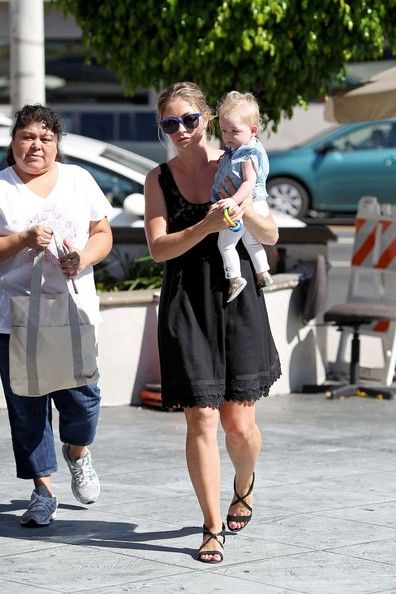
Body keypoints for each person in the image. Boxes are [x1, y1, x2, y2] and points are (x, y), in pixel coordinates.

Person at [144, 82, 281, 563]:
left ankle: (244, 485)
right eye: (170, 123)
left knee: (238, 424)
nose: (181, 130)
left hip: (237, 294)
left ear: (206, 119)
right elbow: (159, 249)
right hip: (187, 302)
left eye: (189, 119)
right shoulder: (157, 178)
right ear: (162, 128)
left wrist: (245, 213)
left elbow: (270, 230)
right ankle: (211, 526)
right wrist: (206, 225)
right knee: (201, 417)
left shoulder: (239, 159)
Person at [0, 104, 113, 527]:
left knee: (83, 400)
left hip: (74, 312)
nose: (36, 145)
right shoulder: (3, 188)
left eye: (46, 138)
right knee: (27, 406)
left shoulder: (78, 180)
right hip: (14, 318)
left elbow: (103, 232)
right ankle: (42, 490)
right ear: (13, 141)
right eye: (27, 136)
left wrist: (82, 258)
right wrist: (22, 239)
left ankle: (78, 452)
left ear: (57, 144)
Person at [211, 91, 273, 302]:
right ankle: (263, 273)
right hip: (259, 202)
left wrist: (233, 200)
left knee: (226, 244)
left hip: (249, 203)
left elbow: (249, 182)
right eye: (224, 130)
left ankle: (235, 278)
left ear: (253, 130)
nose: (228, 136)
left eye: (234, 131)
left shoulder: (246, 154)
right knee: (252, 242)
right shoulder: (241, 148)